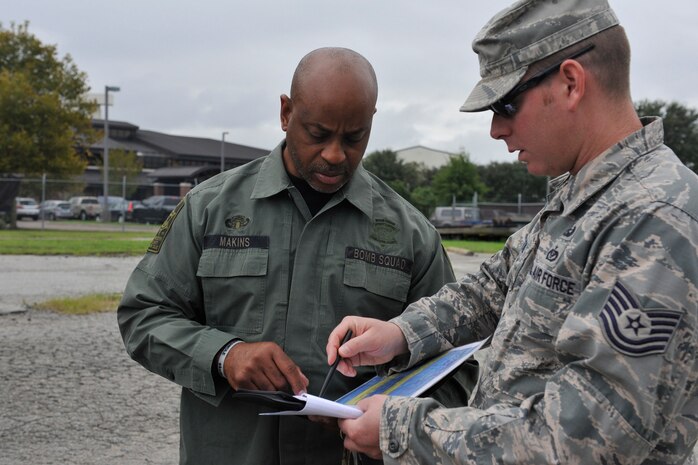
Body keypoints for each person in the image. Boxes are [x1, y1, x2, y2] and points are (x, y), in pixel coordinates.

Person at [327, 1, 698, 463]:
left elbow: (587, 440)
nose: (495, 129)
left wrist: (402, 430)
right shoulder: (581, 195)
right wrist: (400, 334)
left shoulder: (655, 220)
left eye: (506, 104)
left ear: (570, 83)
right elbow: (492, 289)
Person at [118, 47, 475, 465]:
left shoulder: (410, 234)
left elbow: (456, 366)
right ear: (286, 114)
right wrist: (224, 355)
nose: (335, 154)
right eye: (318, 134)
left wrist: (391, 413)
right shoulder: (209, 208)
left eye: (354, 137)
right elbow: (144, 316)